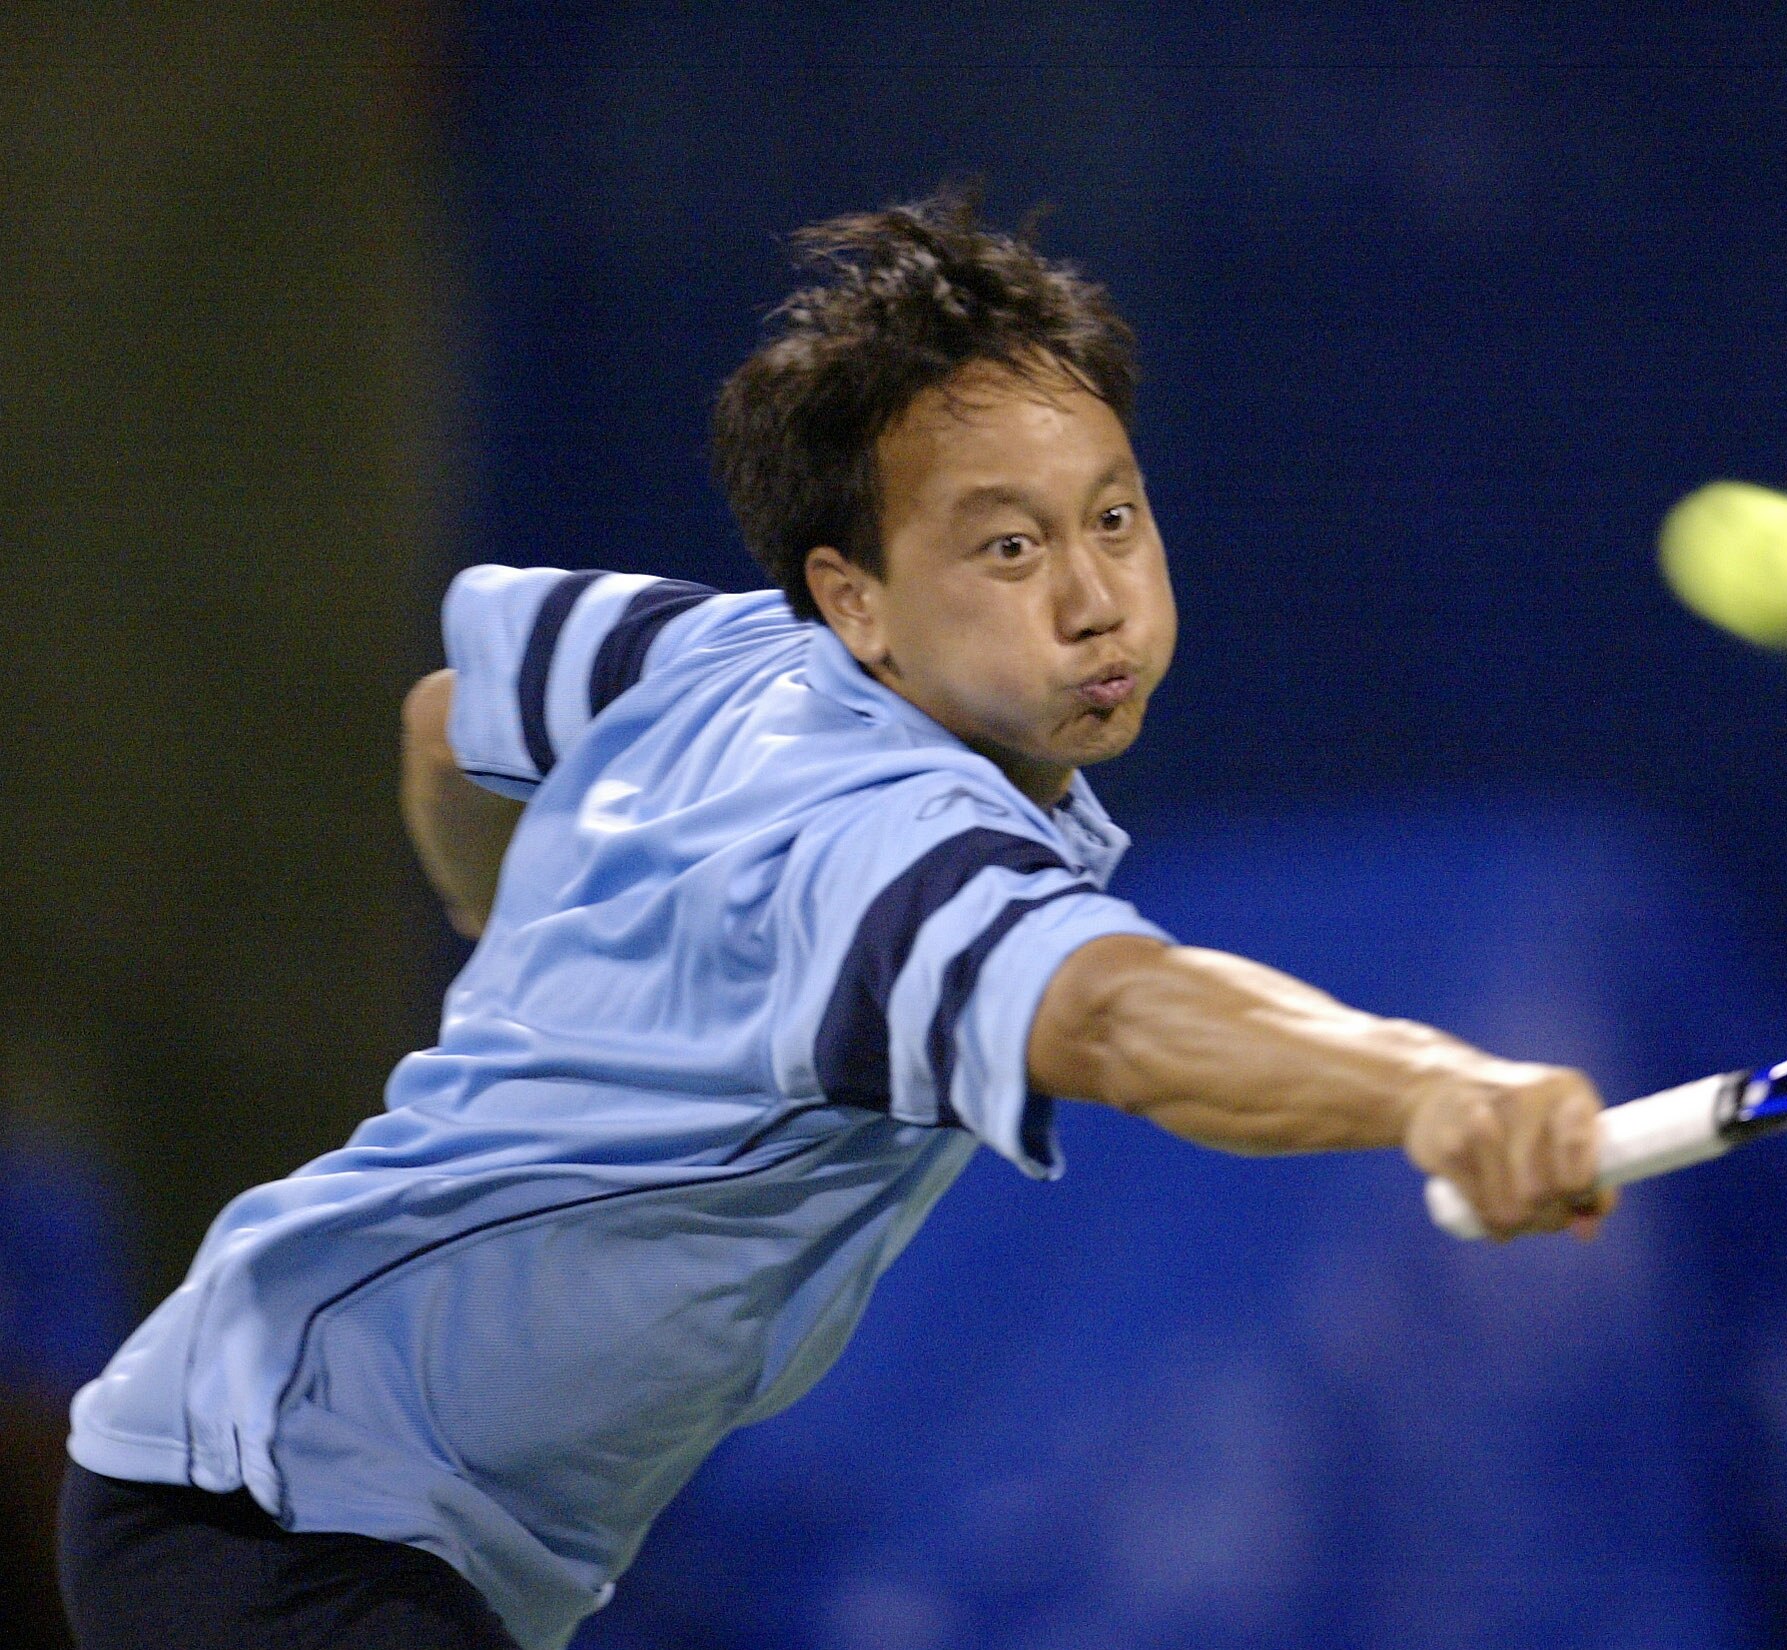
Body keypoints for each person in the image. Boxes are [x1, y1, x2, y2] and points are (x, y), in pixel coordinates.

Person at [55, 189, 1612, 1650]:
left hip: (325, 1493)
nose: (1092, 599)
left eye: (1117, 519)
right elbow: (1120, 1018)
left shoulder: (723, 653)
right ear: (855, 596)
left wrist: (511, 932)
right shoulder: (874, 846)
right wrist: (1432, 1086)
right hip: (285, 1517)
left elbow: (451, 713)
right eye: (1009, 546)